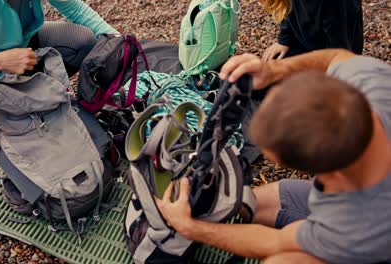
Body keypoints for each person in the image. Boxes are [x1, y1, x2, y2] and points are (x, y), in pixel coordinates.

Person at [156, 48, 391, 264]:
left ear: (332, 177)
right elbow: (336, 58)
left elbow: (274, 242)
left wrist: (190, 228)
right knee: (258, 201)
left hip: (375, 245)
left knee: (281, 261)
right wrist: (274, 70)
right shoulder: (376, 87)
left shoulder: (357, 229)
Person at [0, 0, 117, 96]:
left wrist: (116, 40)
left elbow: (75, 9)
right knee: (18, 135)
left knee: (83, 41)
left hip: (26, 45)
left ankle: (50, 97)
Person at [261, 0, 363, 61]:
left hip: (335, 55)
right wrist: (285, 40)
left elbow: (340, 51)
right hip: (304, 42)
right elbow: (288, 6)